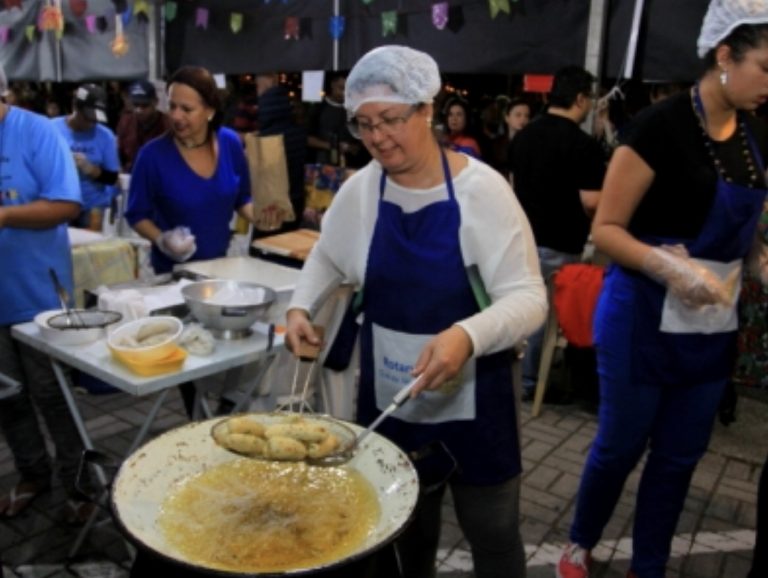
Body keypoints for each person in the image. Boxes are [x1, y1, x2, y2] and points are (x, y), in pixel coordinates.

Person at [285, 45, 546, 578]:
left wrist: (466, 335)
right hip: (390, 403)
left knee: (493, 536)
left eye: (391, 120)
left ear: (427, 109)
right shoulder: (361, 191)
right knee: (404, 533)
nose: (378, 137)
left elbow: (529, 298)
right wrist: (297, 307)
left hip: (478, 397)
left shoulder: (484, 192)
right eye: (364, 124)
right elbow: (326, 256)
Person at [556, 2, 768, 577]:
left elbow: (744, 220)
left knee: (678, 458)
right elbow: (605, 230)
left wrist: (756, 255)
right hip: (643, 318)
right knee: (620, 447)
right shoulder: (659, 127)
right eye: (766, 67)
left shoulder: (756, 135)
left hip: (710, 326)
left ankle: (648, 562)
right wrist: (668, 267)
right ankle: (578, 542)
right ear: (725, 55)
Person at [0, 65, 94, 525]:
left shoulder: (37, 132)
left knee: (52, 394)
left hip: (39, 295)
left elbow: (66, 203)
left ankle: (79, 484)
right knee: (7, 397)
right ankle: (32, 474)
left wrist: (3, 216)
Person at [509, 65, 606, 401]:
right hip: (560, 243)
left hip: (521, 238)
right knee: (543, 316)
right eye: (590, 98)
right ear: (580, 98)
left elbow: (513, 187)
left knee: (521, 308)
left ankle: (518, 377)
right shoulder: (584, 146)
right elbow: (592, 203)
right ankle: (530, 384)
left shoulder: (523, 137)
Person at [125, 65, 255, 276]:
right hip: (172, 275)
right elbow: (137, 214)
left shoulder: (230, 143)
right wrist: (162, 239)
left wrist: (262, 216)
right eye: (172, 106)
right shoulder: (152, 156)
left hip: (220, 269)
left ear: (210, 111)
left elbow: (242, 199)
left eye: (186, 109)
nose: (176, 116)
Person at [51, 84, 120, 231]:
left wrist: (91, 169)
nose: (91, 123)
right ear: (75, 107)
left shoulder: (105, 136)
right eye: (87, 118)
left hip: (93, 204)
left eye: (95, 119)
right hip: (59, 201)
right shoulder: (51, 129)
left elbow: (113, 177)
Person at [248, 72, 307, 240]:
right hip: (295, 201)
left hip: (271, 206)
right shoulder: (298, 133)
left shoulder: (265, 139)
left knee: (266, 244)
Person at [307, 71, 369, 168]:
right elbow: (308, 139)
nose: (344, 94)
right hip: (324, 165)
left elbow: (361, 135)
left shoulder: (353, 108)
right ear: (332, 85)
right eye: (341, 88)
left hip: (351, 165)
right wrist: (333, 146)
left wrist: (355, 147)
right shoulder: (319, 108)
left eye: (348, 90)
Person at [116, 80, 171, 173]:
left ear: (155, 102)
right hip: (131, 174)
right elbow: (118, 155)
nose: (139, 110)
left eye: (144, 106)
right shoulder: (126, 122)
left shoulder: (168, 125)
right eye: (135, 105)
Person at [504, 98, 532, 183]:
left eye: (527, 116)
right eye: (518, 115)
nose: (523, 119)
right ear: (507, 118)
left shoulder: (532, 144)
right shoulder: (496, 144)